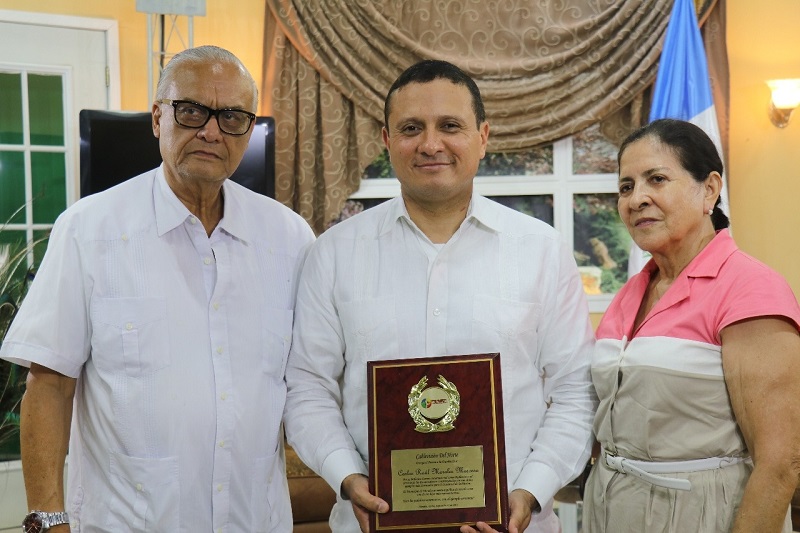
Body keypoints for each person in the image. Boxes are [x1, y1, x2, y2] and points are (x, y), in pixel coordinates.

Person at [0, 45, 315, 532]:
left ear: (249, 129)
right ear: (157, 118)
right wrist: (49, 519)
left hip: (255, 519)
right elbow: (49, 386)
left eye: (232, 117)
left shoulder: (289, 238)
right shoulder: (88, 230)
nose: (211, 131)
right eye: (191, 111)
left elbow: (309, 384)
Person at [284, 59, 596, 533]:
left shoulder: (542, 251)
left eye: (450, 126)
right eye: (411, 128)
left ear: (483, 137)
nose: (431, 144)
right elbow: (308, 388)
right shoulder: (333, 254)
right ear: (387, 140)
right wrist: (346, 477)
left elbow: (575, 391)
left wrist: (531, 490)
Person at [582, 118, 800, 532]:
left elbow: (781, 463)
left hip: (704, 515)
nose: (636, 199)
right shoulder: (631, 291)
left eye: (657, 179)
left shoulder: (751, 289)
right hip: (609, 510)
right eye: (626, 187)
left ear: (710, 190)